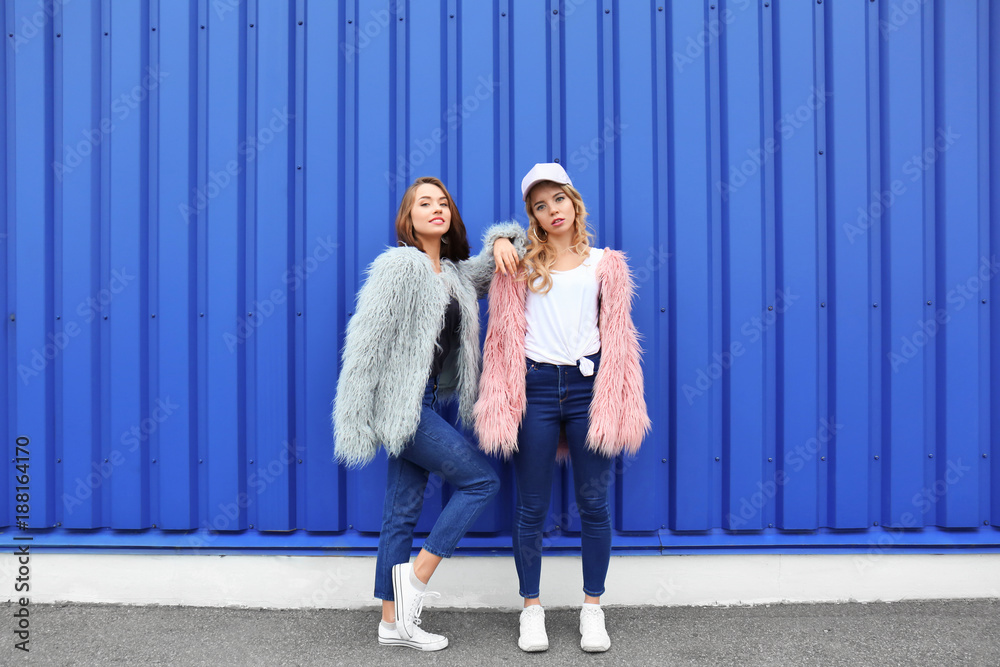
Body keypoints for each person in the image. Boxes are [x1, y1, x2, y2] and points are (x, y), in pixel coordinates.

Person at [332, 176, 525, 651]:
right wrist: (357, 415)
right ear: (409, 217)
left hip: (428, 403)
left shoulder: (457, 275)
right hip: (403, 406)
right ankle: (414, 582)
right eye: (425, 203)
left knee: (400, 512)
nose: (436, 208)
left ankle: (391, 621)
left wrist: (501, 238)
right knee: (482, 482)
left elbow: (500, 258)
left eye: (443, 203)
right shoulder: (399, 266)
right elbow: (365, 343)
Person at [474, 163, 650, 653]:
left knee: (594, 504)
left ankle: (592, 610)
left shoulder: (605, 263)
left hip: (590, 386)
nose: (552, 211)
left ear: (574, 202)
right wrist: (500, 241)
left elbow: (617, 333)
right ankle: (532, 610)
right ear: (531, 215)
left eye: (558, 200)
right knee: (530, 506)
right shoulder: (519, 263)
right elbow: (475, 273)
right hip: (535, 387)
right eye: (539, 205)